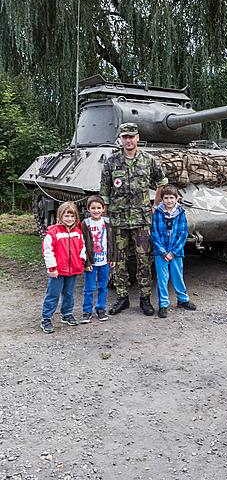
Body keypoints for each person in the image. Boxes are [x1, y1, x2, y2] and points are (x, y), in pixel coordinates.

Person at [100, 122, 168, 316]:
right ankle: (122, 298)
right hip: (118, 219)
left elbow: (162, 182)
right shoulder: (111, 162)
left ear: (138, 138)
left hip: (142, 220)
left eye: (132, 137)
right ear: (121, 140)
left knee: (144, 260)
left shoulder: (149, 160)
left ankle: (145, 299)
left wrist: (155, 205)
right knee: (119, 260)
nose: (128, 140)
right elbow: (104, 191)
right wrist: (105, 217)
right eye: (125, 137)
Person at [151, 184, 196, 318]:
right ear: (162, 199)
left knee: (177, 276)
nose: (169, 201)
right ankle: (163, 304)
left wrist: (173, 252)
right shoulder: (158, 213)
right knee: (162, 279)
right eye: (166, 198)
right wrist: (163, 252)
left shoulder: (180, 213)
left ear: (176, 198)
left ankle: (183, 300)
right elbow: (155, 233)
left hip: (176, 252)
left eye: (172, 198)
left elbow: (183, 234)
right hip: (161, 253)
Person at [40, 201, 86, 334]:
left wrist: (81, 260)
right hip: (58, 270)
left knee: (69, 293)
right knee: (53, 294)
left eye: (72, 216)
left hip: (73, 269)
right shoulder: (53, 232)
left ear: (76, 217)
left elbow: (81, 247)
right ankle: (46, 318)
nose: (70, 219)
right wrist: (52, 268)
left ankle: (67, 314)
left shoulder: (77, 232)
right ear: (60, 216)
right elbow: (48, 251)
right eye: (66, 216)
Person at [81, 195, 116, 323]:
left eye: (98, 208)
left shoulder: (107, 222)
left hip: (104, 261)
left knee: (103, 286)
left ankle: (101, 308)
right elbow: (82, 243)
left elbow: (112, 241)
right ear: (88, 209)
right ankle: (87, 311)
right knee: (89, 287)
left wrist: (112, 257)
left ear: (103, 209)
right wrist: (86, 262)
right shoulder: (85, 224)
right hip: (92, 261)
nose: (96, 211)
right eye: (93, 208)